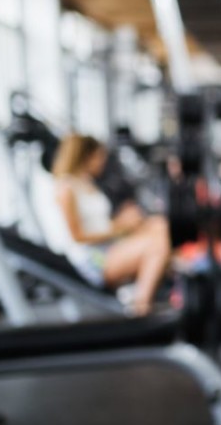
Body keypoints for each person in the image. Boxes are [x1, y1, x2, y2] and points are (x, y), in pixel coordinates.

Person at [52, 133, 173, 315]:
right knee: (159, 244)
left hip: (108, 247)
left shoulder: (86, 182)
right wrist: (120, 228)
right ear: (85, 156)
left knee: (160, 225)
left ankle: (168, 286)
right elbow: (78, 236)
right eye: (99, 156)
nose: (102, 162)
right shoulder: (66, 189)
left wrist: (124, 220)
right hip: (93, 259)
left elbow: (98, 224)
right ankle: (141, 308)